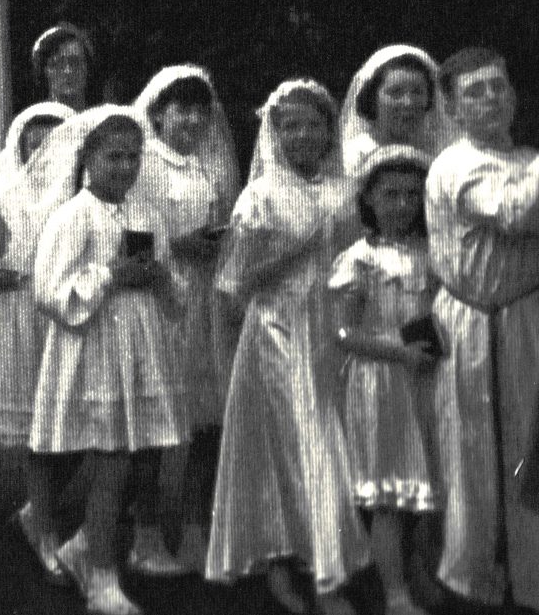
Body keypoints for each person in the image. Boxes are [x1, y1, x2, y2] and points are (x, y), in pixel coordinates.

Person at [206, 80, 368, 615]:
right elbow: (234, 281)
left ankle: (304, 553)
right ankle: (319, 576)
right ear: (274, 133)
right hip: (278, 329)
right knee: (303, 445)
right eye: (288, 124)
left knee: (328, 445)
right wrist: (291, 252)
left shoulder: (344, 191)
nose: (301, 133)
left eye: (312, 123)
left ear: (329, 130)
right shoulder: (261, 194)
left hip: (336, 329)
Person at [29, 107, 188, 615]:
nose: (123, 167)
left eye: (132, 157)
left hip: (138, 351)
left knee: (136, 456)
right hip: (92, 351)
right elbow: (51, 293)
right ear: (88, 159)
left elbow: (172, 294)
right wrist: (108, 276)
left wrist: (160, 279)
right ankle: (99, 572)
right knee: (110, 461)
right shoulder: (71, 217)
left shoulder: (147, 215)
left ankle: (84, 547)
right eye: (112, 156)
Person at [424, 47, 539, 611]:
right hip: (474, 321)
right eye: (475, 92)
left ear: (514, 96)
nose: (491, 98)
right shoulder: (455, 164)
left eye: (498, 87)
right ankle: (473, 577)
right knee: (474, 450)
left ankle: (529, 575)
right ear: (452, 107)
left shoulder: (529, 157)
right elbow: (514, 214)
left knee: (529, 447)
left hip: (527, 316)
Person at [132, 64, 241, 574]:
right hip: (160, 299)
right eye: (182, 109)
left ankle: (197, 531)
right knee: (155, 423)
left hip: (202, 300)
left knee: (206, 422)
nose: (194, 120)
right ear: (157, 113)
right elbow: (132, 233)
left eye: (201, 109)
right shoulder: (144, 164)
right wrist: (176, 243)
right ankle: (145, 536)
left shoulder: (204, 166)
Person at [329, 145, 441, 615]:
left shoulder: (431, 253)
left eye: (412, 195)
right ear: (369, 200)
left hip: (427, 379)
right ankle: (393, 592)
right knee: (389, 495)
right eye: (390, 194)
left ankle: (420, 574)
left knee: (427, 486)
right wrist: (396, 351)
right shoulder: (358, 258)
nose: (402, 205)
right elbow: (342, 332)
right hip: (380, 383)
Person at [0, 103, 73, 581]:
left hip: (71, 315)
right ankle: (45, 529)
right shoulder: (3, 195)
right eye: (39, 135)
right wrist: (25, 277)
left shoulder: (79, 192)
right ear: (22, 141)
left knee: (73, 429)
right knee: (40, 432)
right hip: (21, 317)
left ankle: (39, 510)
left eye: (59, 133)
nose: (49, 143)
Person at [339, 45, 447, 175]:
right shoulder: (350, 159)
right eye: (395, 93)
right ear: (372, 99)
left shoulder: (442, 156)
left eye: (417, 92)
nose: (408, 103)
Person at [31, 22, 96, 112]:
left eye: (75, 62)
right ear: (45, 70)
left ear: (86, 69)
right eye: (58, 64)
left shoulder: (103, 123)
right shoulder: (32, 123)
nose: (68, 71)